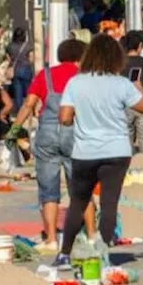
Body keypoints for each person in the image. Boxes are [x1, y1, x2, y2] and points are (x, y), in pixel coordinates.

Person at [57, 34, 143, 262]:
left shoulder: (76, 82)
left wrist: (77, 119)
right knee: (110, 203)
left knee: (78, 202)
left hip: (85, 151)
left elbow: (64, 118)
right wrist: (140, 88)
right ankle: (102, 253)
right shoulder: (121, 83)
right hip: (117, 150)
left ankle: (64, 253)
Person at [11, 37, 86, 251]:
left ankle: (52, 238)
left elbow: (29, 104)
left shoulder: (45, 75)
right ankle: (85, 234)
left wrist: (15, 128)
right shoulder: (83, 76)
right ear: (80, 57)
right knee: (79, 188)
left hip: (47, 134)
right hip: (75, 134)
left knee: (49, 190)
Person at [6, 27, 34, 110]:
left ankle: (19, 111)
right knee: (28, 90)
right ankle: (28, 110)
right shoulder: (28, 45)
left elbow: (8, 58)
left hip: (15, 71)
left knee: (18, 92)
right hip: (26, 69)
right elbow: (31, 58)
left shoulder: (10, 46)